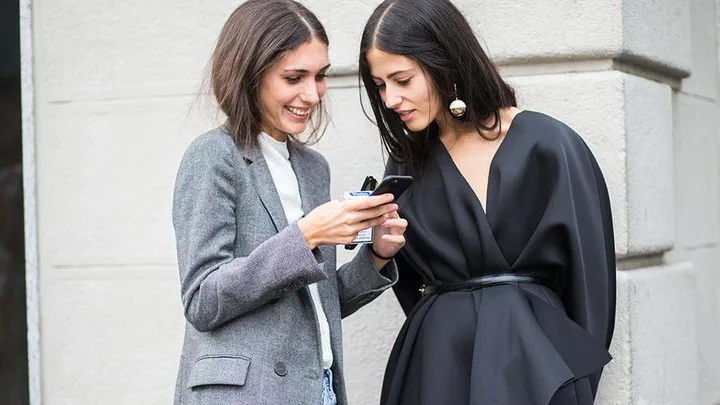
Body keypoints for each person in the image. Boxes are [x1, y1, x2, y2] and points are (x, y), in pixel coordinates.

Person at [358, 1, 616, 404]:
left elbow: (591, 284)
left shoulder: (548, 146)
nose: (390, 99)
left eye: (402, 79)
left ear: (444, 62)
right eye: (380, 85)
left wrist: (574, 381)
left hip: (533, 367)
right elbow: (409, 284)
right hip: (436, 366)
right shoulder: (408, 162)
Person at [172, 1, 406, 404]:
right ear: (251, 74)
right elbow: (202, 299)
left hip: (317, 390)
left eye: (320, 76)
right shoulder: (214, 156)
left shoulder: (313, 168)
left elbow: (313, 306)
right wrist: (306, 235)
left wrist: (377, 258)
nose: (312, 94)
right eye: (294, 77)